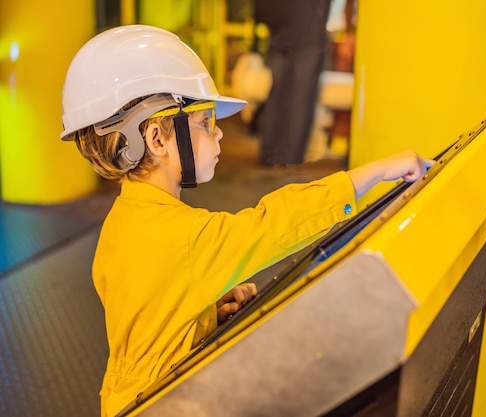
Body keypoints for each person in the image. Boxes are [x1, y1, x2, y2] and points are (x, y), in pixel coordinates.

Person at [60, 25, 432, 417]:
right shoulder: (184, 236)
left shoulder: (125, 221)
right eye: (205, 121)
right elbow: (272, 225)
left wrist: (200, 313)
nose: (219, 133)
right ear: (157, 139)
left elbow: (147, 311)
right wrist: (374, 173)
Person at [254, 0, 333, 166]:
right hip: (308, 31)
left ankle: (270, 154)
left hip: (279, 28)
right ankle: (289, 159)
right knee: (301, 99)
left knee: (277, 93)